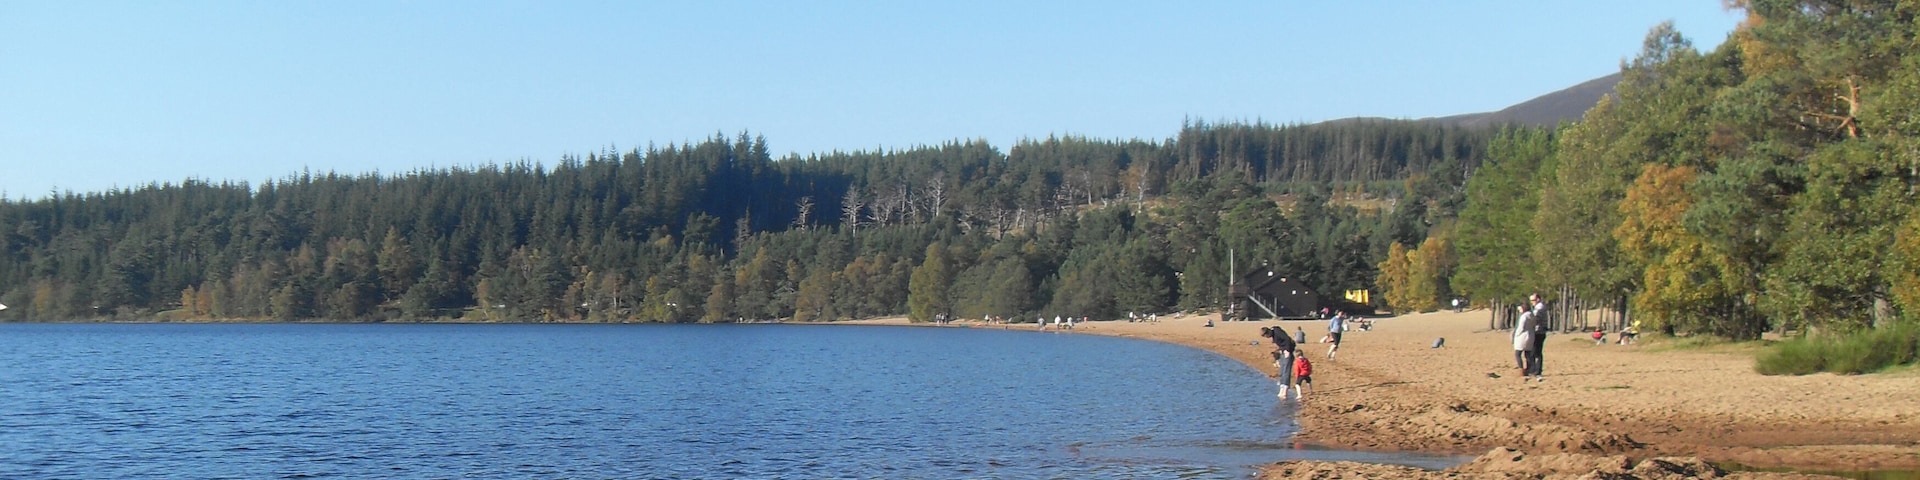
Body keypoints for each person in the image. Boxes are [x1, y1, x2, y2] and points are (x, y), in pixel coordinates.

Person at [1527, 293, 1548, 381]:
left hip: (1539, 332)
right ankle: (1533, 370)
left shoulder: (1540, 308)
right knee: (1533, 352)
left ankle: (1537, 371)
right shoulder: (1538, 307)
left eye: (1533, 300)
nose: (1531, 302)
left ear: (1538, 299)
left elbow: (1535, 319)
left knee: (1536, 352)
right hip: (1538, 331)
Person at [1512, 307, 1536, 381]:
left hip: (1522, 337)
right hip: (1530, 335)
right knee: (1528, 354)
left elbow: (1520, 327)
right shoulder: (1532, 315)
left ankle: (1521, 369)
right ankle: (1530, 369)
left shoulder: (1524, 316)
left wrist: (1515, 335)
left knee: (1518, 354)